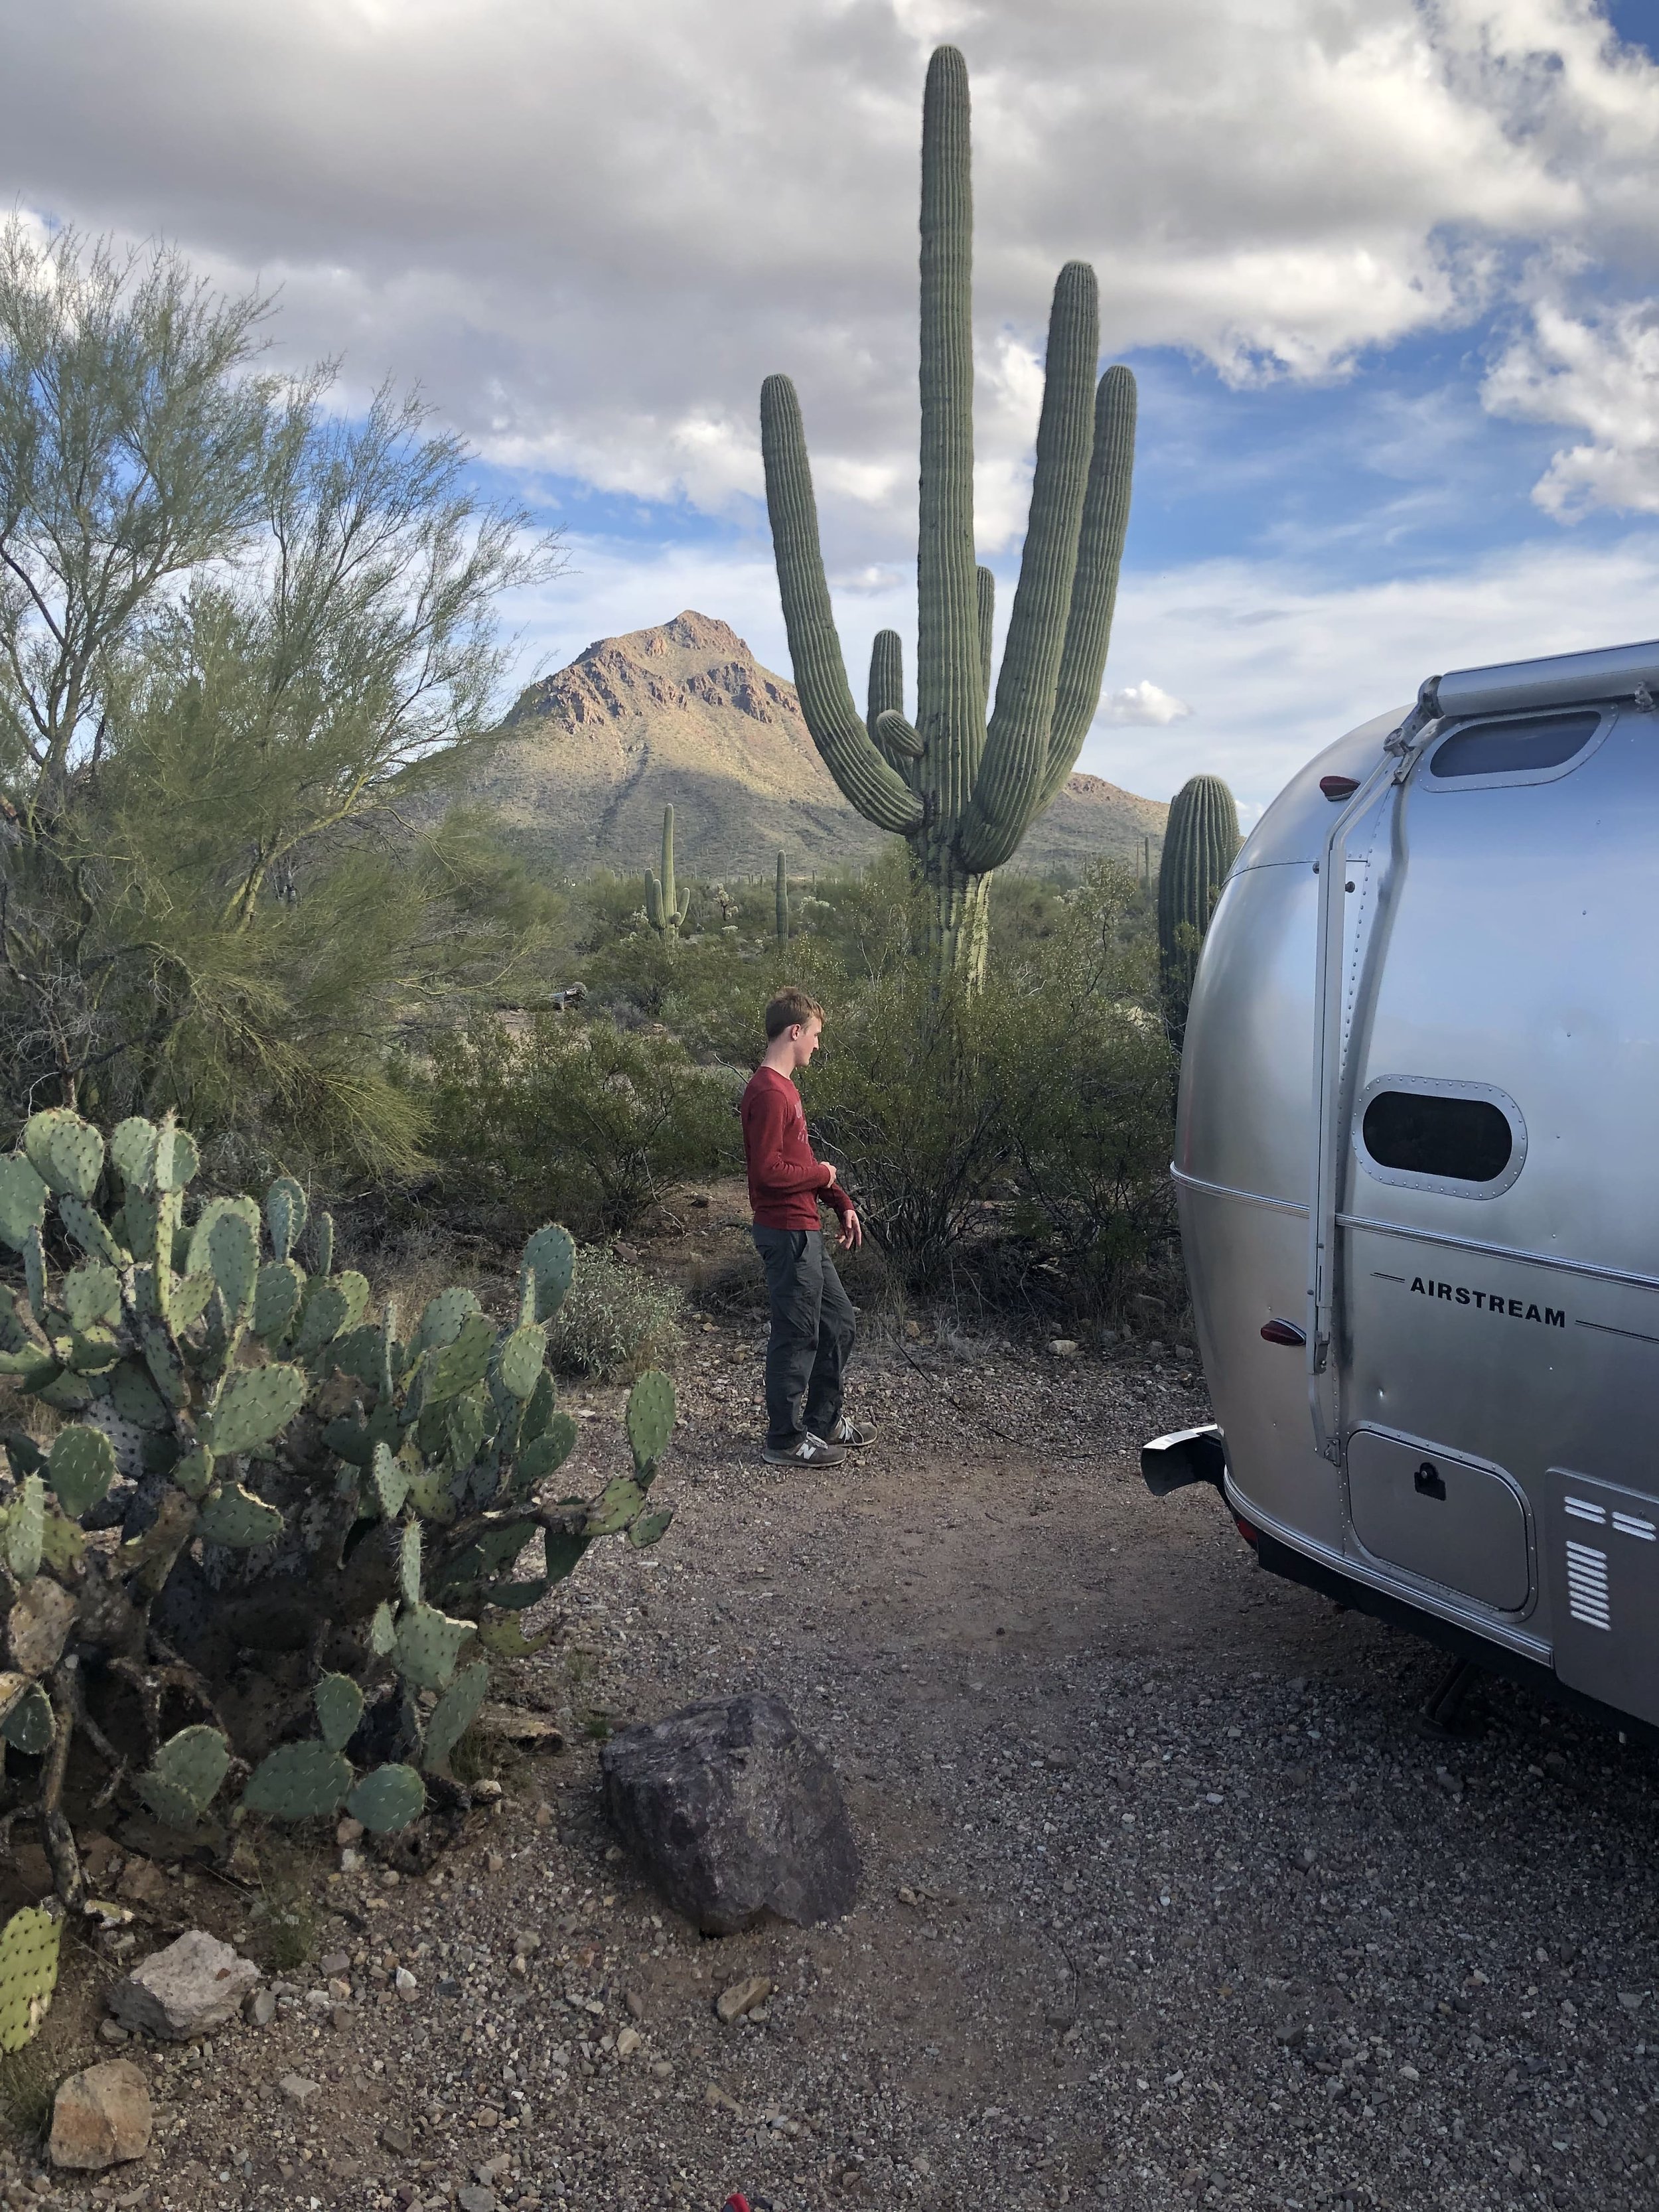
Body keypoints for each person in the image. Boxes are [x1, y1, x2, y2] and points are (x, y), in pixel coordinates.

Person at [740, 987, 875, 1467]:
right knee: (797, 1334)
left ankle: (823, 1421)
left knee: (838, 1322)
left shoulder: (786, 1089)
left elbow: (797, 1160)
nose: (818, 1045)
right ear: (795, 1032)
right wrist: (824, 1176)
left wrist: (840, 1200)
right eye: (815, 1035)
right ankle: (785, 1438)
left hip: (806, 1229)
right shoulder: (768, 1092)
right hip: (787, 1233)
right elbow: (769, 1172)